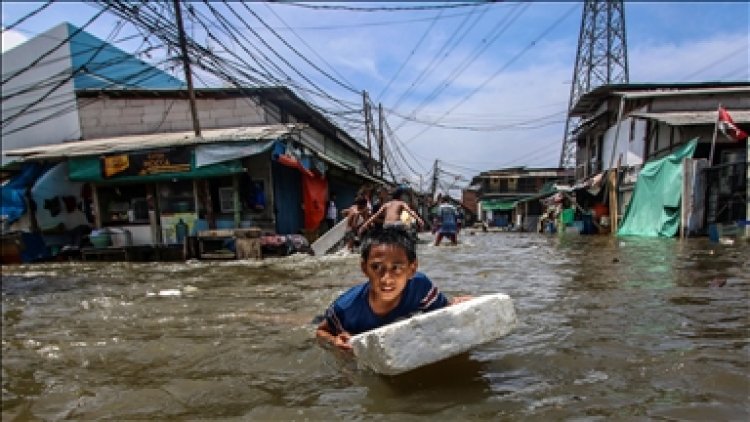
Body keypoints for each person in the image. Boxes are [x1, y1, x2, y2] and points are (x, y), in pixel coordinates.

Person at [315, 227, 472, 351]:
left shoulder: (421, 288)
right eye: (376, 267)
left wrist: (458, 306)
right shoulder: (345, 309)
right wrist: (334, 340)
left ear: (412, 268)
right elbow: (321, 331)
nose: (386, 279)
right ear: (364, 268)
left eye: (396, 268)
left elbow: (441, 314)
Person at [358, 188, 424, 235]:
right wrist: (419, 220)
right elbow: (410, 212)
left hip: (386, 225)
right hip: (397, 224)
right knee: (409, 227)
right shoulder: (401, 203)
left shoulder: (386, 204)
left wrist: (364, 225)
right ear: (400, 197)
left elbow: (375, 216)